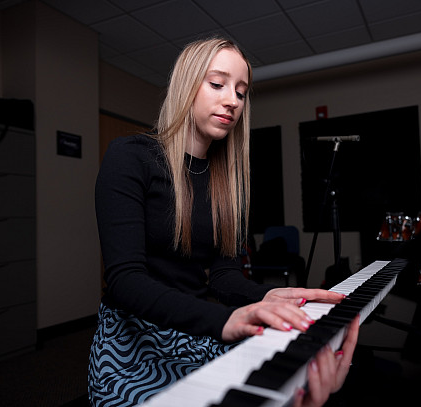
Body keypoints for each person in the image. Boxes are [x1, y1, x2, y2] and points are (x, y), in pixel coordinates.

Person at [88, 37, 359, 407]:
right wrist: (224, 321)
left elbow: (224, 276)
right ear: (187, 85)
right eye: (217, 84)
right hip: (135, 344)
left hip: (201, 331)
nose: (232, 100)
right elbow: (125, 281)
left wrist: (266, 295)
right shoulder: (130, 158)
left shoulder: (229, 183)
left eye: (241, 92)